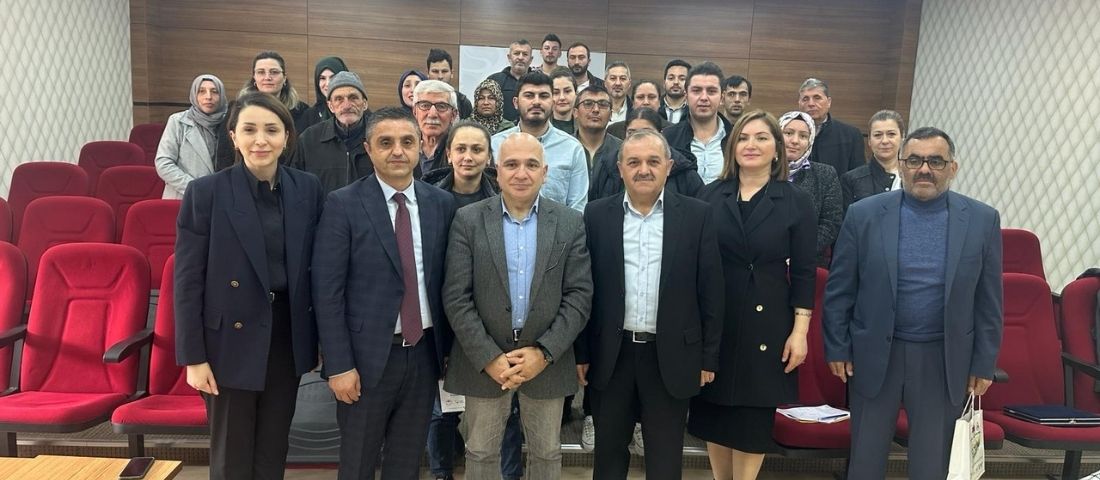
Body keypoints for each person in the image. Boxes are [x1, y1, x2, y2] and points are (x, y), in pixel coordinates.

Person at [824, 127, 1003, 480]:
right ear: (901, 165)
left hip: (943, 359)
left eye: (935, 161)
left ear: (953, 168)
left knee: (931, 465)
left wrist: (984, 362)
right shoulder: (863, 214)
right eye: (915, 160)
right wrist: (837, 347)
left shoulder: (982, 219)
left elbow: (989, 299)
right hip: (875, 354)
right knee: (865, 461)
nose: (924, 169)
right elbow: (840, 289)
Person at [175, 92, 324, 480]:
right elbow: (187, 281)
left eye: (271, 130)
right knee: (232, 455)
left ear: (287, 137)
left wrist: (317, 340)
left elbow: (315, 271)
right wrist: (193, 357)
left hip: (286, 336)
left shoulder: (307, 189)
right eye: (250, 130)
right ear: (233, 137)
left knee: (273, 450)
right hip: (227, 341)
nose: (261, 140)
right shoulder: (206, 192)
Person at [312, 107, 456, 479]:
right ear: (368, 149)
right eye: (386, 142)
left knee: (406, 464)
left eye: (407, 142)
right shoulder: (343, 203)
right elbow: (327, 292)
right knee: (358, 463)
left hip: (423, 355)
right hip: (365, 360)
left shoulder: (440, 204)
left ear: (420, 145)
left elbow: (446, 282)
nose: (397, 151)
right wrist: (339, 364)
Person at [443, 132, 593, 480]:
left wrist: (545, 352)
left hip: (547, 362)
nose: (521, 173)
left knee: (547, 453)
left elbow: (579, 295)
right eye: (511, 164)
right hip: (484, 363)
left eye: (531, 165)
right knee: (480, 453)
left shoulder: (570, 222)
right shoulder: (468, 220)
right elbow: (456, 296)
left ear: (545, 172)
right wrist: (488, 357)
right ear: (497, 170)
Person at [577, 130, 723, 479]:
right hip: (611, 355)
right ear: (620, 169)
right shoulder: (596, 215)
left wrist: (708, 356)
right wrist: (581, 352)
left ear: (669, 166)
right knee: (608, 457)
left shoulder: (697, 216)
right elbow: (584, 290)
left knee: (665, 460)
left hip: (671, 355)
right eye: (634, 162)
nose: (644, 169)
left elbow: (712, 291)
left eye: (653, 161)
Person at [689, 109, 816, 480]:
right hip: (718, 319)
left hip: (768, 321)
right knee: (715, 414)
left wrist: (800, 332)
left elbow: (805, 272)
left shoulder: (796, 200)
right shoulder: (710, 194)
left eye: (761, 137)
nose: (751, 145)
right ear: (732, 147)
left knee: (750, 419)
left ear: (777, 148)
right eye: (743, 138)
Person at [421, 121, 526, 480]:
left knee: (506, 407)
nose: (468, 156)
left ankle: (509, 474)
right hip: (441, 317)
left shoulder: (503, 199)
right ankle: (442, 472)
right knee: (442, 409)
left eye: (477, 149)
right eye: (461, 149)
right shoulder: (427, 198)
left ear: (489, 157)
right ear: (448, 154)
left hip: (491, 321)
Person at [491, 71, 589, 212]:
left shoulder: (572, 149)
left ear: (553, 102)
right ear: (516, 103)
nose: (536, 102)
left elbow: (578, 207)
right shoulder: (495, 145)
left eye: (543, 96)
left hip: (558, 226)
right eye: (529, 95)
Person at [591, 108, 702, 201]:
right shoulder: (608, 165)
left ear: (661, 134)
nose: (639, 138)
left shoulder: (683, 169)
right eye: (631, 132)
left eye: (647, 132)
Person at [290, 71, 373, 194]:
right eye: (339, 99)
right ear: (330, 106)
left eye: (353, 98)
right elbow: (295, 186)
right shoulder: (309, 140)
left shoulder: (379, 137)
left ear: (365, 104)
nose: (346, 105)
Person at [779, 111, 843, 266]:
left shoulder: (825, 174)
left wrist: (800, 253)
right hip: (764, 262)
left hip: (809, 263)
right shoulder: (761, 172)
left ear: (810, 140)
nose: (795, 141)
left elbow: (830, 223)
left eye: (803, 136)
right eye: (788, 133)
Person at [155, 74, 233, 199]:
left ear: (222, 96)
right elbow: (163, 163)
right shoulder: (177, 121)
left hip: (221, 197)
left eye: (214, 92)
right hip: (184, 196)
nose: (208, 97)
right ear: (194, 95)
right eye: (201, 91)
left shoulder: (230, 122)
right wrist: (195, 187)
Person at [663, 61, 731, 185]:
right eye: (696, 91)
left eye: (711, 91)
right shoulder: (668, 138)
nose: (704, 97)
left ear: (722, 98)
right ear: (686, 96)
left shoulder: (736, 137)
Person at [797, 77, 864, 175]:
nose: (811, 104)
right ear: (799, 104)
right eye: (805, 99)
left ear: (829, 102)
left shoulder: (851, 135)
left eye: (817, 98)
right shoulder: (787, 134)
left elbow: (858, 176)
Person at [841, 110, 905, 211]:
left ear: (902, 138)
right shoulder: (851, 179)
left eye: (891, 134)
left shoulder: (912, 176)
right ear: (869, 141)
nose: (884, 141)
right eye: (878, 135)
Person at [240, 51, 310, 133]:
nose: (267, 77)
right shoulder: (238, 108)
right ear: (254, 77)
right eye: (261, 72)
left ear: (284, 78)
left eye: (274, 72)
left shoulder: (303, 112)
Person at [412, 80, 459, 174]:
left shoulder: (460, 150)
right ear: (415, 112)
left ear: (453, 115)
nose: (432, 114)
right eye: (425, 105)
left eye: (441, 106)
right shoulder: (405, 147)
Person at [573, 85, 620, 175]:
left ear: (611, 114)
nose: (596, 110)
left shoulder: (621, 150)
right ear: (575, 112)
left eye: (603, 104)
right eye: (588, 104)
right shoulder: (565, 148)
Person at [487, 39, 533, 122]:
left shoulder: (539, 82)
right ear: (509, 57)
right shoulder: (494, 81)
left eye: (525, 54)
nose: (520, 57)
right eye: (516, 53)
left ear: (531, 59)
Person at [300, 56, 349, 131]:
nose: (328, 83)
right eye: (322, 78)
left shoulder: (355, 110)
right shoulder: (309, 116)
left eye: (333, 77)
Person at [426, 48, 473, 119]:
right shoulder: (419, 99)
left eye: (444, 71)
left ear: (452, 73)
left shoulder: (462, 102)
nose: (440, 76)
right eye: (435, 71)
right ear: (427, 73)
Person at [660, 59, 691, 124]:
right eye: (671, 78)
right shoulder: (655, 107)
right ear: (664, 83)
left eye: (682, 79)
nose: (676, 82)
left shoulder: (694, 109)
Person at [550, 67, 578, 135]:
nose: (562, 97)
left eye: (567, 91)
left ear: (576, 94)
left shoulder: (586, 125)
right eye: (556, 92)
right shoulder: (539, 125)